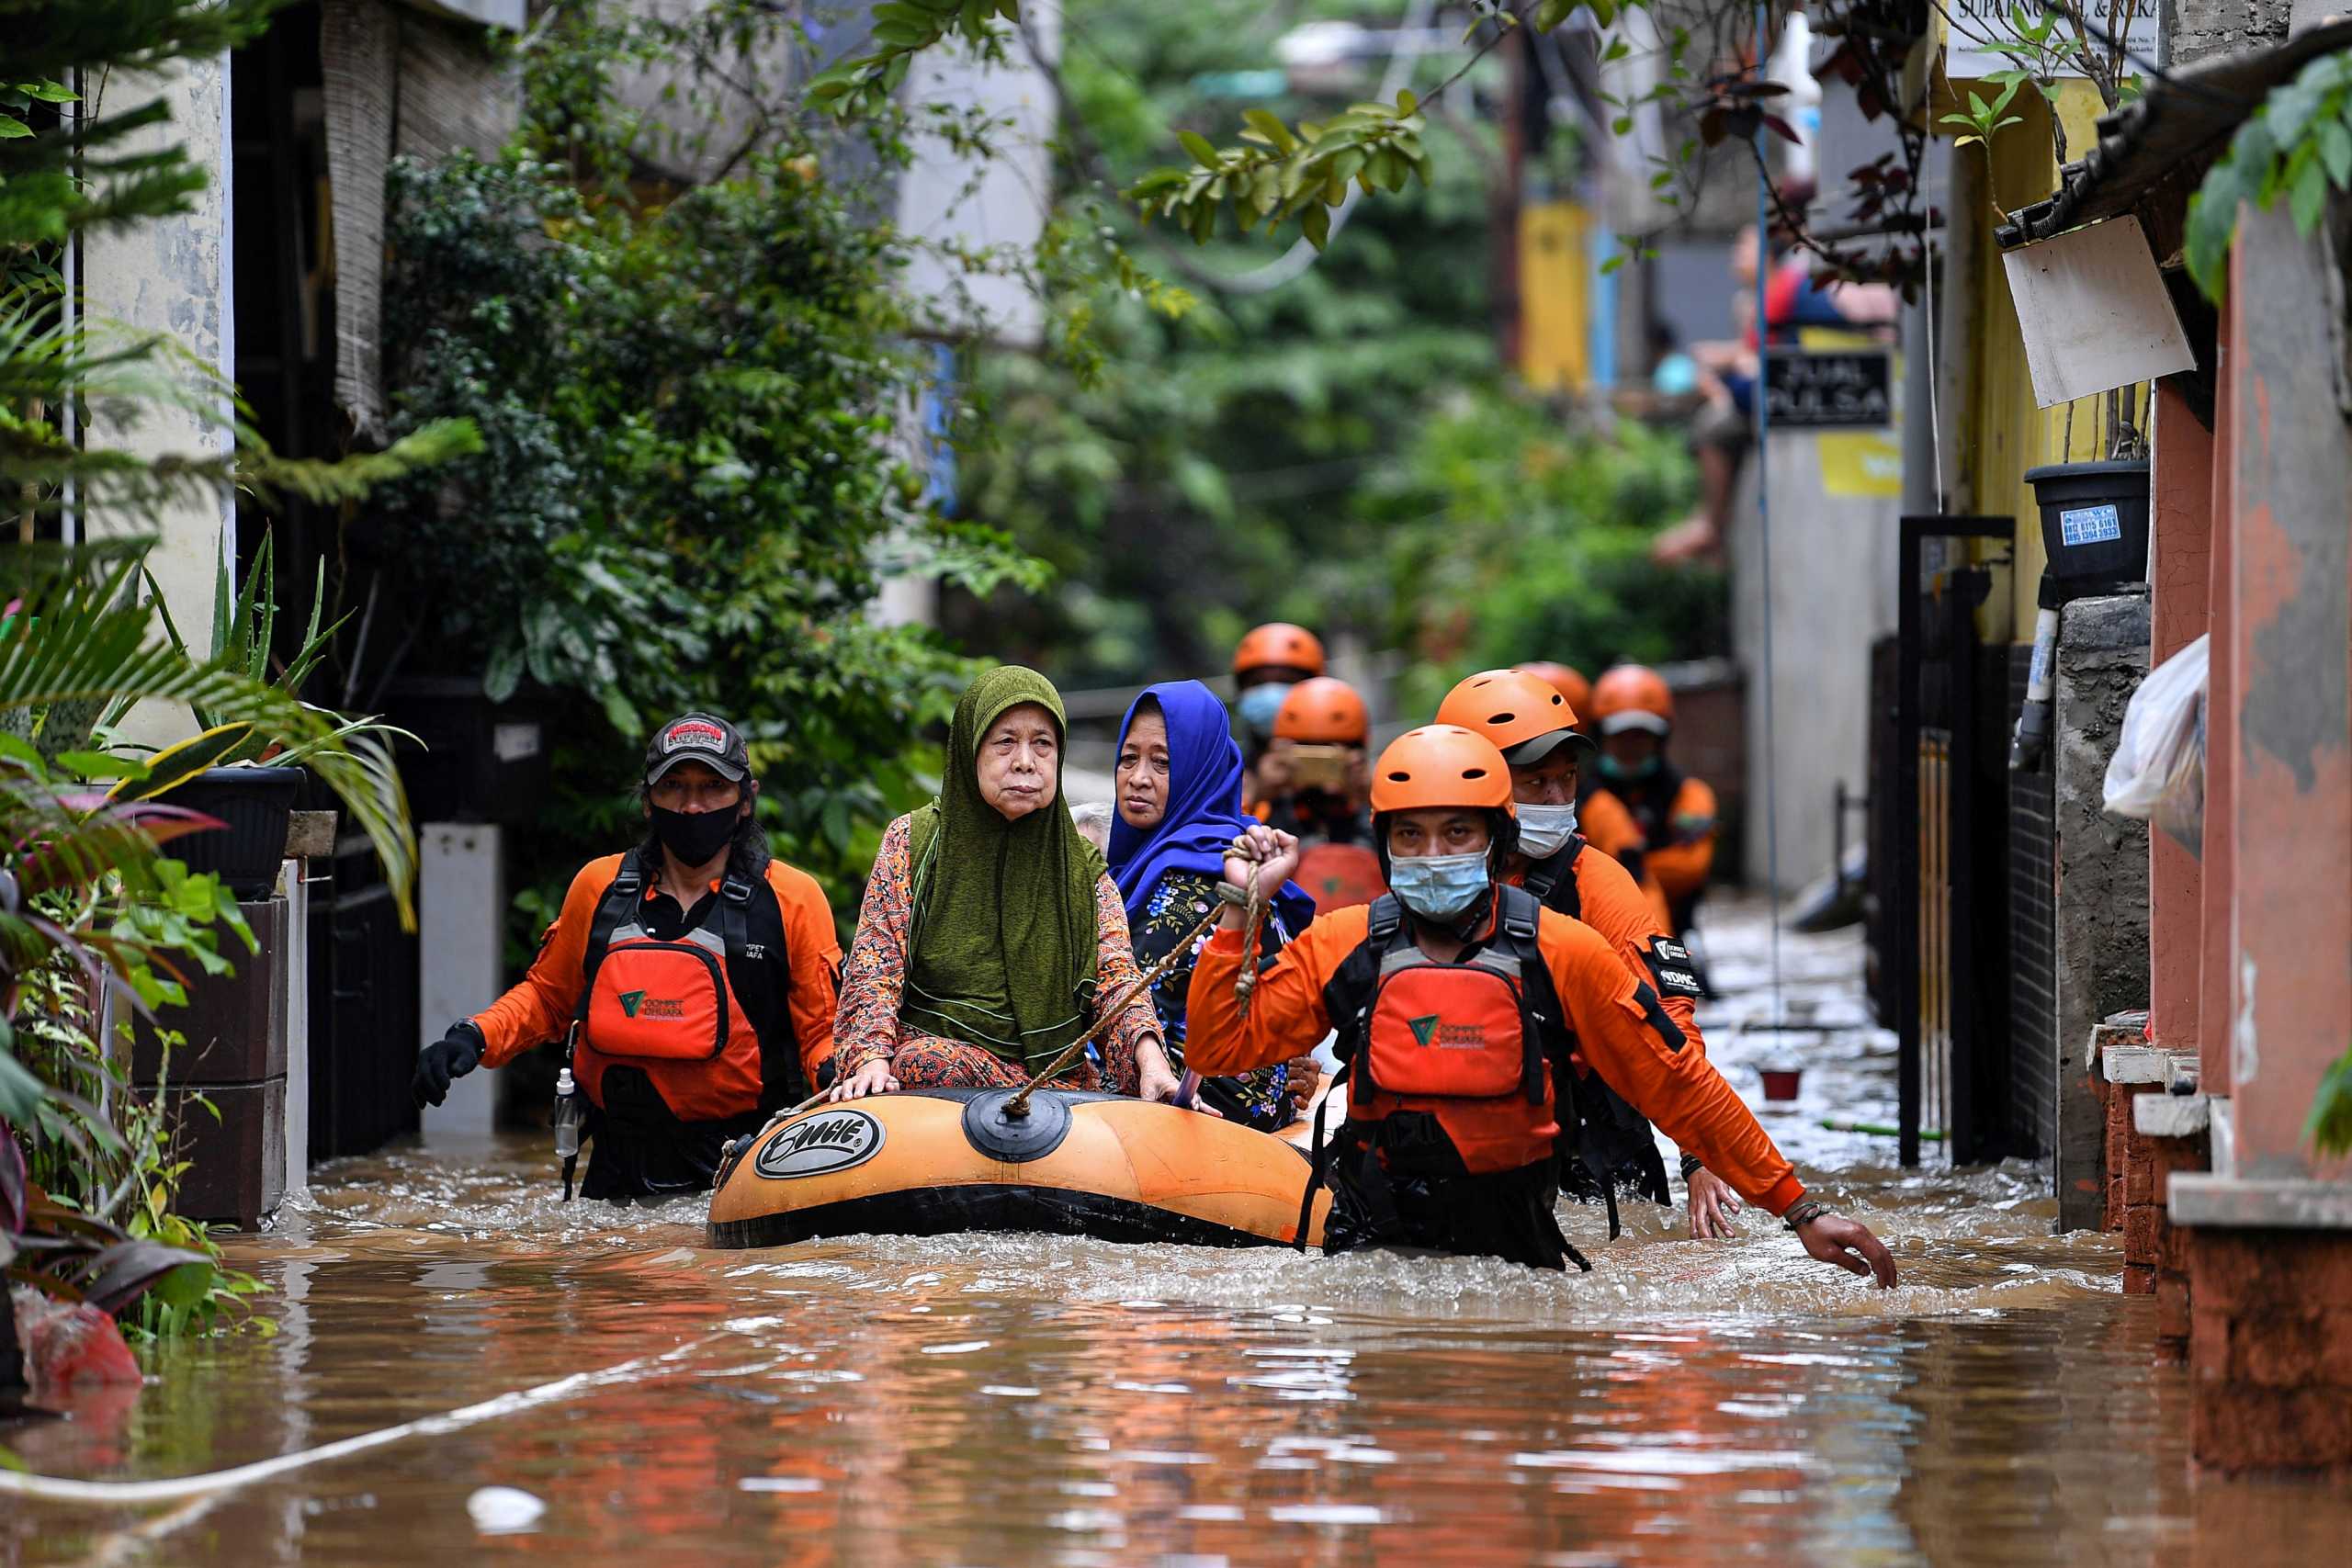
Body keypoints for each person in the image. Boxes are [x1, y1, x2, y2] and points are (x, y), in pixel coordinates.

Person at [1182, 726, 1896, 1280]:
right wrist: (1240, 910)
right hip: (1373, 1256)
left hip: (1517, 1256)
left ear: (1495, 839)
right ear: (1385, 842)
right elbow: (1220, 1049)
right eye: (1411, 834)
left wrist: (1798, 1205)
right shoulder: (1345, 944)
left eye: (1456, 831)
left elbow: (1677, 1081)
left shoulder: (1564, 952)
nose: (1433, 852)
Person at [411, 713, 843, 1201]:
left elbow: (821, 1033)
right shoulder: (600, 887)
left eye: (713, 787)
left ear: (745, 800)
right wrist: (473, 1036)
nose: (694, 806)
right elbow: (548, 999)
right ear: (647, 801)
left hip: (743, 1165)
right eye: (674, 786)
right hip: (615, 1167)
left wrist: (841, 1078)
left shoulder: (792, 898)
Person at [1436, 669, 1742, 1238]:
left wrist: (1699, 1154)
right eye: (1535, 782)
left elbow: (1668, 1021)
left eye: (1567, 778)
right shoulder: (1427, 880)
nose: (1557, 798)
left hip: (1590, 1145)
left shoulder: (1597, 881)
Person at [827, 667, 1186, 1104]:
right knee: (925, 1062)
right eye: (1005, 742)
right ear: (970, 749)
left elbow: (1116, 978)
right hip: (936, 1069)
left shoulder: (1082, 866)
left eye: (1043, 744)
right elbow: (875, 966)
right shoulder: (914, 841)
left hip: (1057, 1081)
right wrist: (871, 1060)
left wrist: (1152, 1065)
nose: (1025, 761)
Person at [1108, 680, 1320, 1131]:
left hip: (1196, 1121)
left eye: (1162, 763)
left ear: (1199, 770)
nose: (1138, 777)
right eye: (1129, 758)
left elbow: (1116, 1004)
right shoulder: (1233, 849)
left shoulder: (1193, 876)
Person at [1586, 665, 1718, 942]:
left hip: (1678, 928)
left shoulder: (1689, 793)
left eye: (1641, 735)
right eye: (1621, 735)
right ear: (1602, 736)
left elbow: (1691, 867)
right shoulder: (1583, 797)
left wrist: (1630, 867)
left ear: (1660, 739)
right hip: (1597, 931)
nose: (1631, 745)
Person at [1259, 675, 1385, 911]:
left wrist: (1371, 797)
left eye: (1330, 755)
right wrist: (1263, 795)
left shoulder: (1375, 813)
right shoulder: (1269, 811)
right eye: (1308, 754)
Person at [1230, 622, 1325, 810]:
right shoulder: (1225, 772)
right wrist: (1259, 797)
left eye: (1285, 681)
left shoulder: (1341, 757)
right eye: (1258, 683)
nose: (1270, 693)